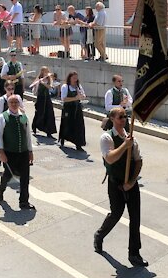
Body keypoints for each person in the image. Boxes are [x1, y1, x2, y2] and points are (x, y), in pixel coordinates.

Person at [93, 107, 147, 267]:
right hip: (115, 183)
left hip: (130, 183)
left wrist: (131, 181)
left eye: (126, 116)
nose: (124, 119)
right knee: (116, 214)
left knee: (135, 218)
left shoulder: (131, 139)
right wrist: (124, 146)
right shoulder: (106, 138)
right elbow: (109, 158)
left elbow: (138, 161)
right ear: (113, 119)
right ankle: (99, 235)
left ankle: (134, 253)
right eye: (121, 117)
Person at [0, 94, 36, 210]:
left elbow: (28, 135)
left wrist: (30, 151)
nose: (14, 104)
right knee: (8, 175)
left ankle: (24, 202)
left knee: (25, 177)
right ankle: (1, 189)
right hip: (9, 152)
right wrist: (1, 152)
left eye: (16, 102)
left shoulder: (24, 117)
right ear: (8, 104)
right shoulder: (3, 117)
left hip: (23, 152)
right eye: (11, 102)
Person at [58, 70, 87, 150]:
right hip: (68, 108)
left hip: (77, 108)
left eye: (76, 78)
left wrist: (82, 96)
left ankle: (78, 144)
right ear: (70, 78)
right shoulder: (65, 86)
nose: (75, 80)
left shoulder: (78, 86)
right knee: (67, 124)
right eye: (74, 78)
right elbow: (64, 99)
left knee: (79, 125)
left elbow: (83, 95)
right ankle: (63, 138)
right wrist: (75, 98)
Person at [30, 66, 57, 138]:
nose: (47, 73)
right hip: (41, 97)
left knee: (49, 113)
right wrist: (38, 82)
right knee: (39, 112)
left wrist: (43, 83)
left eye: (47, 71)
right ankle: (35, 126)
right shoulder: (39, 78)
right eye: (45, 71)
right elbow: (33, 85)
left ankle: (49, 131)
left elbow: (50, 87)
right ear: (42, 72)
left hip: (47, 97)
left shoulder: (49, 78)